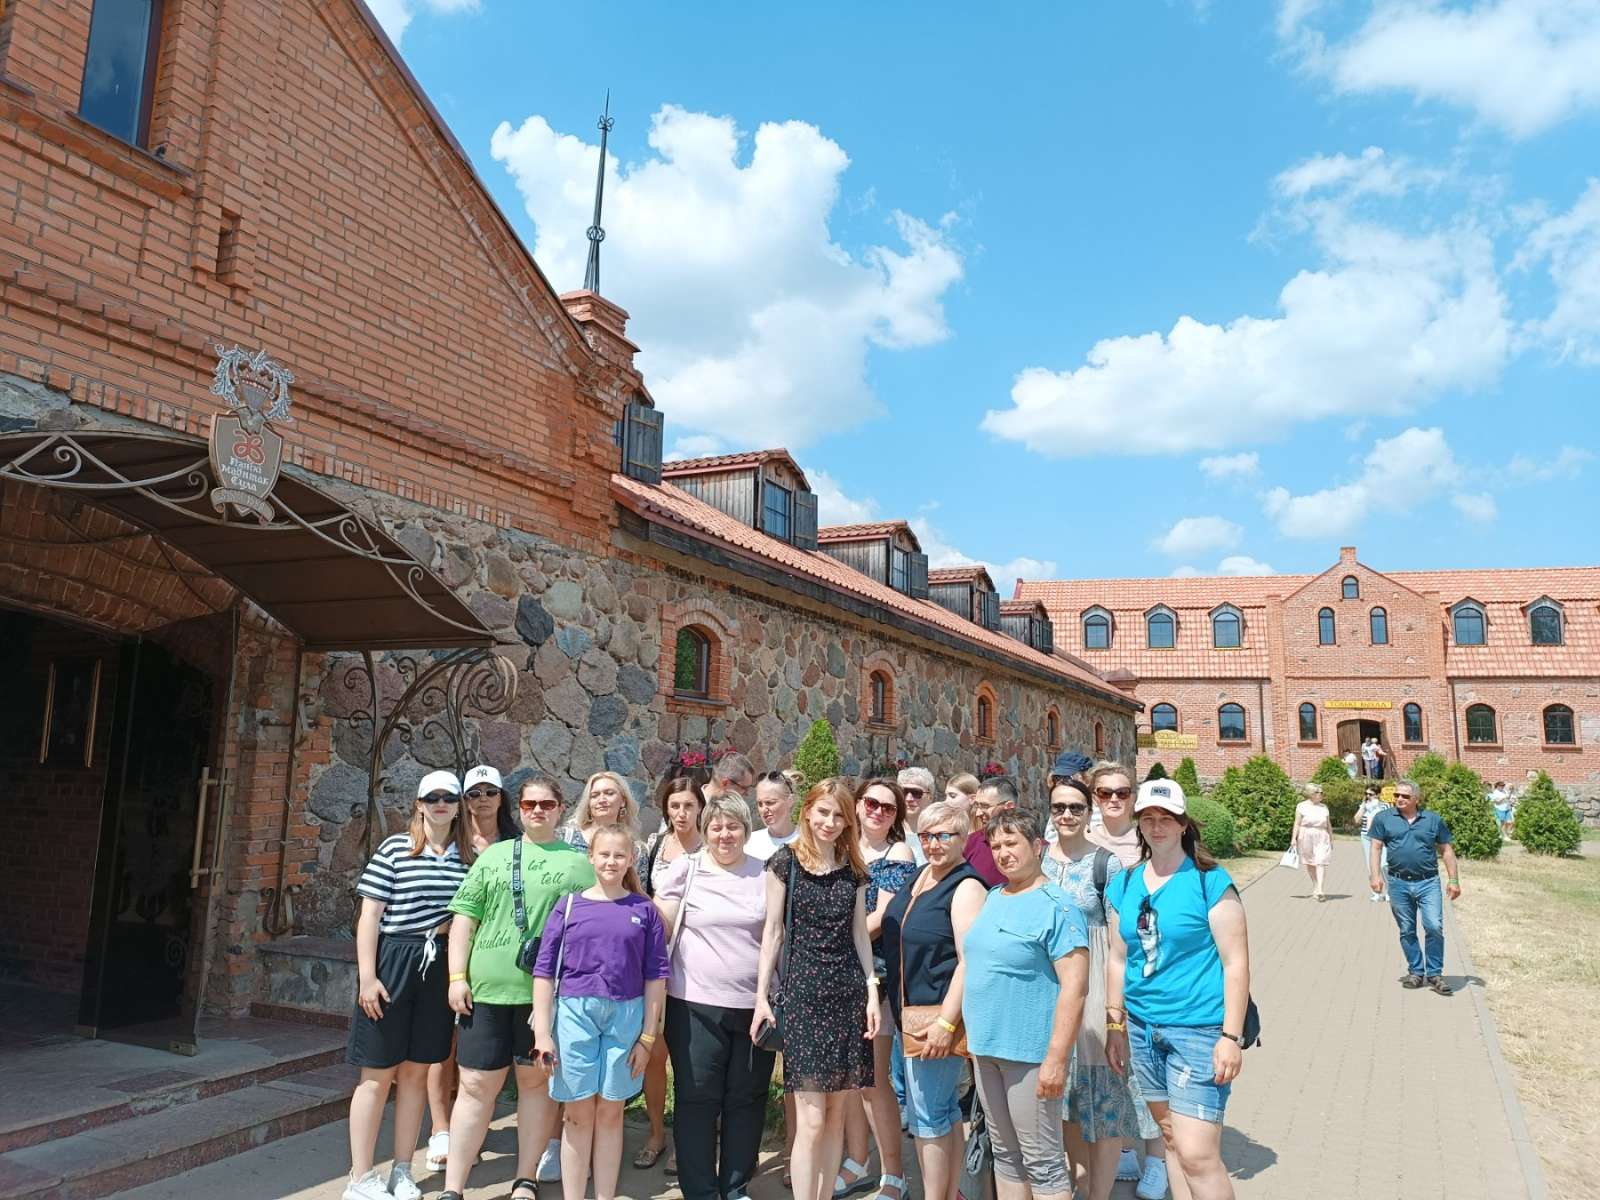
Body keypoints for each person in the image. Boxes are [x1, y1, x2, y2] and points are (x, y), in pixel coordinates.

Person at [439, 776, 594, 1200]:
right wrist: (456, 978)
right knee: (474, 1087)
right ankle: (454, 1186)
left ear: (561, 809)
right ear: (519, 809)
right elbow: (464, 920)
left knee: (534, 1086)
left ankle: (525, 1177)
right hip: (485, 992)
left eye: (546, 804)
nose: (538, 811)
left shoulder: (580, 865)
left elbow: (588, 934)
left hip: (541, 998)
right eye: (529, 805)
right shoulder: (493, 857)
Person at [1105, 779, 1251, 1200]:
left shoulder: (1209, 881)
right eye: (1148, 818)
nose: (1156, 826)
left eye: (1165, 818)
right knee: (1169, 1137)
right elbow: (1117, 957)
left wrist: (1230, 1037)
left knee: (1198, 1155)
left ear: (1184, 824)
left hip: (1198, 1029)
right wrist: (1115, 1025)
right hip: (1142, 1029)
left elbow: (1236, 963)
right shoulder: (1128, 882)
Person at [751, 779, 880, 1200]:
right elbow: (772, 933)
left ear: (848, 821)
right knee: (810, 1119)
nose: (830, 821)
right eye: (823, 812)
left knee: (838, 1116)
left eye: (839, 815)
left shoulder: (854, 870)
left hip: (847, 996)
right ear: (807, 811)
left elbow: (860, 934)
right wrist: (760, 998)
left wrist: (872, 991)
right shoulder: (783, 863)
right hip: (804, 996)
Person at [343, 770, 470, 1200]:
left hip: (437, 966)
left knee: (416, 1074)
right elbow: (370, 917)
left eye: (448, 797)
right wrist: (368, 977)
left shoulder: (466, 856)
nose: (440, 804)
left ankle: (402, 1169)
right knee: (376, 1075)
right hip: (393, 961)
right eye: (432, 797)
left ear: (458, 806)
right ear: (419, 803)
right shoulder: (395, 848)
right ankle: (360, 1178)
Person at [533, 825, 669, 1200]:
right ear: (591, 856)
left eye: (619, 855)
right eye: (604, 854)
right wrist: (542, 1034)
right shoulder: (569, 906)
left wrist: (647, 1036)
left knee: (611, 1113)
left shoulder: (644, 910)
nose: (611, 861)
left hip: (626, 1018)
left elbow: (656, 977)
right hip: (575, 1015)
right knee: (577, 1115)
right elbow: (544, 972)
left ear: (631, 860)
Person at [654, 793, 777, 1200]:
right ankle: (701, 1191)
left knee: (747, 1098)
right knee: (697, 1098)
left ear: (746, 829)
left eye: (733, 826)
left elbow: (777, 936)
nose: (725, 835)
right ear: (705, 831)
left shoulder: (768, 873)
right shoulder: (684, 869)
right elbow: (660, 927)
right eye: (716, 827)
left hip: (755, 1007)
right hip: (693, 1005)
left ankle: (736, 1186)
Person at [962, 811, 1089, 1200]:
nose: (1002, 853)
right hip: (986, 1050)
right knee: (1004, 1155)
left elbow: (1075, 987)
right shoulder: (994, 896)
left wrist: (1055, 1059)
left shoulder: (1058, 906)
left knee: (1042, 1161)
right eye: (995, 846)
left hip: (1030, 1055)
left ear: (1037, 846)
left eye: (1011, 843)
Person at [880, 801, 986, 1200]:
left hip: (937, 1015)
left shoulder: (965, 886)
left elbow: (969, 960)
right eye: (927, 836)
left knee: (928, 1118)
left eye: (945, 836)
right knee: (940, 1112)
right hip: (910, 1013)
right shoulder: (922, 875)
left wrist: (946, 1023)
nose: (934, 844)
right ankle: (952, 1193)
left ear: (963, 839)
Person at [1041, 779, 1139, 1200]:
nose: (1067, 815)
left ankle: (1099, 1194)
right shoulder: (1039, 860)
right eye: (1059, 807)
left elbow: (1120, 944)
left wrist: (1116, 1015)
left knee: (1106, 1098)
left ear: (1088, 813)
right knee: (1064, 1096)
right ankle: (1076, 1186)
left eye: (1076, 808)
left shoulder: (1107, 864)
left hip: (1095, 982)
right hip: (1047, 985)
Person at [425, 763, 517, 1174]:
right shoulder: (453, 840)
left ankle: (471, 1130)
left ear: (501, 798)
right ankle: (442, 1128)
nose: (481, 799)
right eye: (473, 793)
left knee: (476, 1054)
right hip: (451, 952)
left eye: (489, 792)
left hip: (496, 959)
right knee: (440, 1044)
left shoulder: (516, 842)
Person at [1085, 762, 1167, 1195]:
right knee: (1106, 1061)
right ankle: (1122, 1148)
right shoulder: (1083, 835)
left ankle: (1158, 1157)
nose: (1113, 799)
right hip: (1094, 964)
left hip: (1143, 964)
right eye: (1104, 792)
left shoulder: (1147, 840)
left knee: (1143, 1068)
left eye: (1121, 792)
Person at [847, 778, 917, 1200]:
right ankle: (857, 1162)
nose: (877, 811)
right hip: (838, 972)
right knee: (850, 1078)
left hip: (877, 974)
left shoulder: (899, 854)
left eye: (888, 808)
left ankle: (894, 1173)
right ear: (857, 805)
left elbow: (880, 916)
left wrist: (834, 936)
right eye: (871, 803)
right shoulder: (843, 846)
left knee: (873, 1078)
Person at [636, 775, 707, 1170]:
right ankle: (656, 1133)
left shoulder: (709, 848)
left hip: (694, 962)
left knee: (690, 1058)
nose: (681, 813)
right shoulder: (655, 846)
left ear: (700, 808)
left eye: (688, 806)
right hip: (654, 962)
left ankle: (688, 1138)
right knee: (653, 1053)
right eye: (675, 806)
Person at [1367, 780, 1461, 995]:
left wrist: (1454, 880)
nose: (1399, 799)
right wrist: (1375, 876)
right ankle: (1416, 972)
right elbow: (1375, 847)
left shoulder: (1432, 820)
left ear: (1416, 799)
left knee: (1433, 926)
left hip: (1428, 882)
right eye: (1397, 795)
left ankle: (1435, 973)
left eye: (1405, 796)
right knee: (1407, 929)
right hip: (1398, 882)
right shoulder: (1384, 819)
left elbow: (1446, 850)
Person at [965, 775, 1018, 887]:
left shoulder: (1034, 847)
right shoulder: (969, 844)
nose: (978, 813)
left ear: (1009, 807)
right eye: (977, 806)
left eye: (985, 806)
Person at [1290, 783, 1333, 902]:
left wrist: (1331, 838)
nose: (1321, 795)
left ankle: (1320, 889)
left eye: (1321, 792)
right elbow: (1297, 823)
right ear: (1311, 794)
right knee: (1310, 863)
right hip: (1305, 834)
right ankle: (1315, 884)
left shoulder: (1324, 807)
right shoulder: (1301, 806)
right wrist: (1293, 838)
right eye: (1318, 792)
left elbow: (1328, 824)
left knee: (1320, 861)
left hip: (1321, 835)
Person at [747, 771, 799, 861]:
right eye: (760, 804)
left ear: (790, 801)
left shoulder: (808, 841)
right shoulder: (750, 842)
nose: (764, 809)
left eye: (770, 802)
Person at [1356, 786, 1389, 903]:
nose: (1368, 797)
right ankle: (1376, 893)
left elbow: (1388, 821)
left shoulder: (1384, 806)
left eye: (1371, 794)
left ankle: (1389, 891)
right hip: (1366, 837)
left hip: (1381, 838)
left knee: (1384, 864)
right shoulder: (1365, 806)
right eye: (1366, 794)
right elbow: (1356, 820)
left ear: (1378, 795)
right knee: (1371, 867)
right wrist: (1362, 808)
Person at [898, 766, 936, 865]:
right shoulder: (887, 831)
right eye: (904, 792)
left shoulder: (938, 833)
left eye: (916, 793)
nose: (909, 798)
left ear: (930, 797)